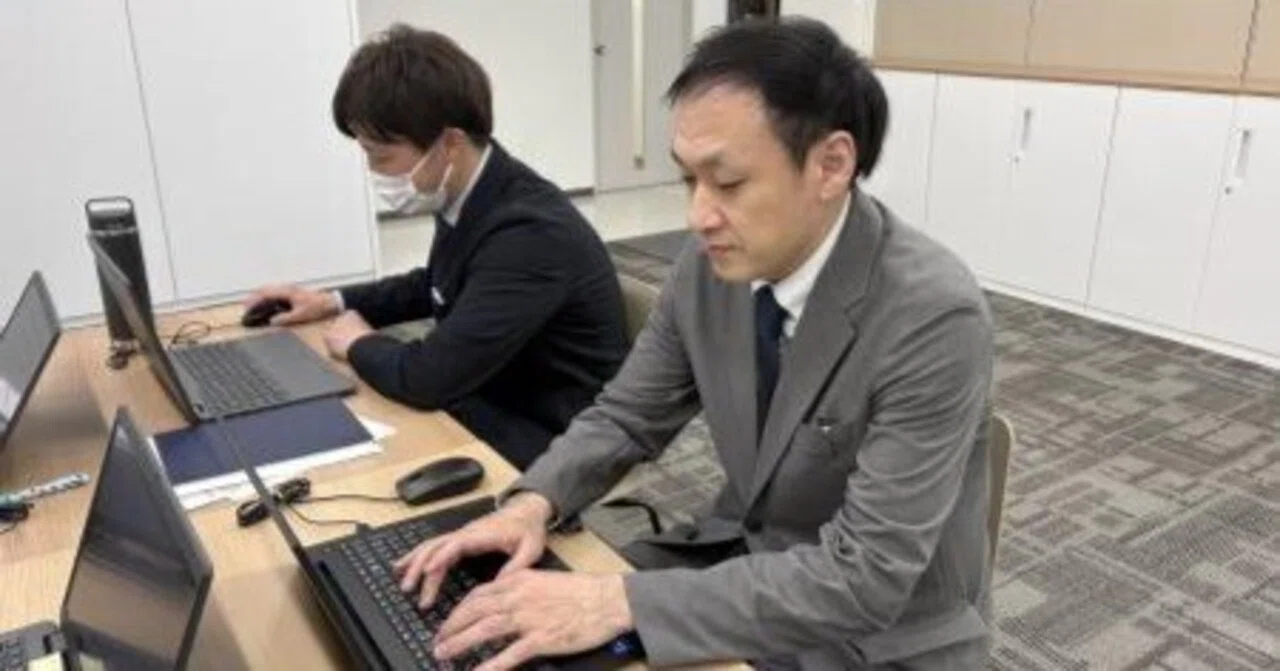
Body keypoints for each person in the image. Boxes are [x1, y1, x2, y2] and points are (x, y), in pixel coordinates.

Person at [394, 17, 995, 670]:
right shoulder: (709, 269)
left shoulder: (933, 317)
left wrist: (618, 601)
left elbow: (865, 577)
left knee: (568, 620)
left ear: (831, 164)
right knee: (486, 622)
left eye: (727, 183)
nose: (698, 215)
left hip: (876, 640)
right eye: (688, 181)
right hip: (743, 567)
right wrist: (533, 502)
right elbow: (627, 414)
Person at [247, 25, 629, 470]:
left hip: (553, 434)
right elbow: (436, 284)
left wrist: (358, 343)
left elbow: (429, 378)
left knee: (355, 454)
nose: (373, 171)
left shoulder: (529, 234)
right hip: (490, 387)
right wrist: (331, 301)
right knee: (343, 417)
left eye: (381, 156)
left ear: (450, 143)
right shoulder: (474, 189)